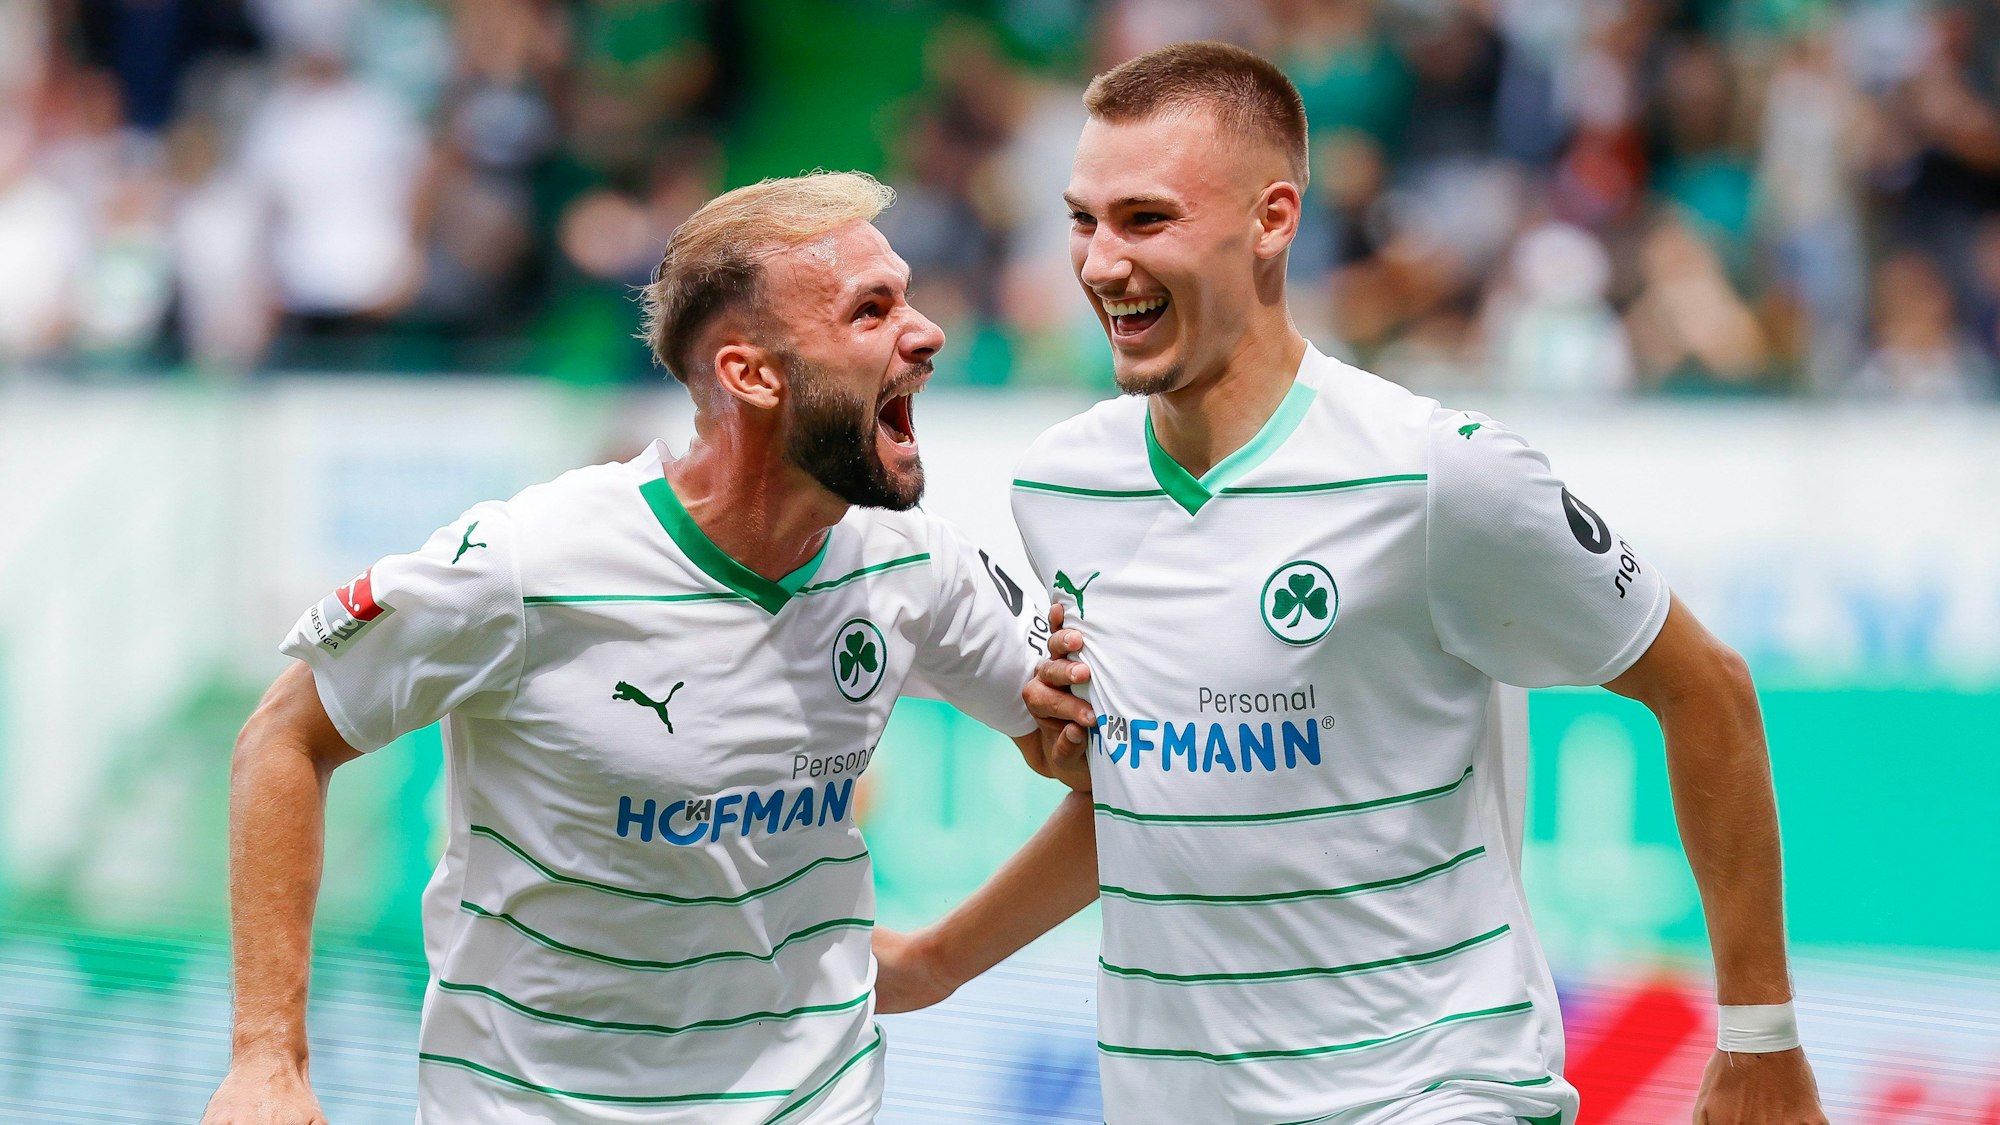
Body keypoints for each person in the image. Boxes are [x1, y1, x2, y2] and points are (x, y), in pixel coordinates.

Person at [891, 42, 1829, 1125]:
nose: (1101, 263)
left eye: (1145, 221)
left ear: (1272, 222)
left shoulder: (1440, 474)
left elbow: (1702, 686)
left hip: (1430, 1097)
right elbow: (1150, 800)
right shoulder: (1061, 488)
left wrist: (1759, 1038)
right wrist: (935, 962)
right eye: (1081, 220)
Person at [200, 171, 1088, 1125]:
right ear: (752, 375)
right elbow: (283, 738)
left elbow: (1115, 764)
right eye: (870, 311)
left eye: (906, 295)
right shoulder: (529, 561)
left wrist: (941, 961)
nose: (926, 331)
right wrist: (266, 1059)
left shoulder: (915, 564)